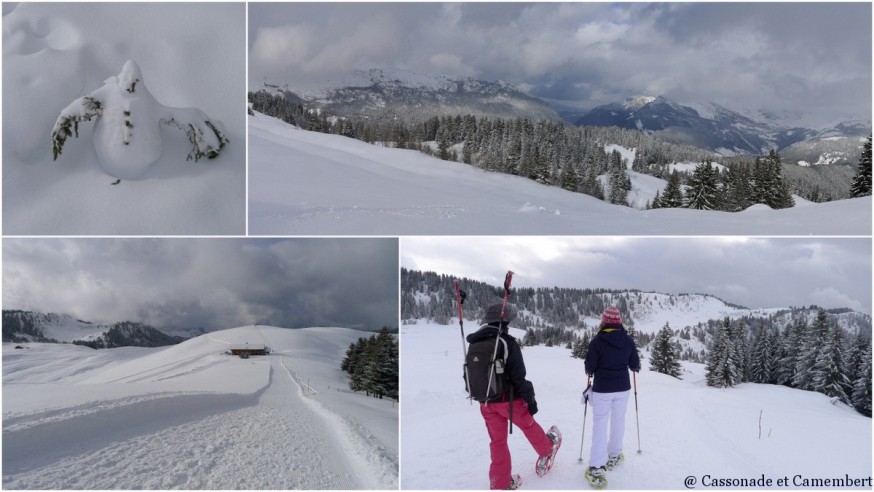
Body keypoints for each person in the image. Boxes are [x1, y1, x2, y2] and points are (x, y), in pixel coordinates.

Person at [467, 301, 561, 490]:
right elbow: (519, 377)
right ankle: (547, 449)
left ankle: (500, 484)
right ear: (505, 323)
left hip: (485, 402)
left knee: (497, 442)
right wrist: (531, 401)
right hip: (509, 401)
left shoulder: (475, 343)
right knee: (529, 425)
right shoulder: (506, 342)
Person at [584, 306, 641, 487]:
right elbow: (635, 365)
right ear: (618, 322)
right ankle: (615, 455)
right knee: (618, 421)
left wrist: (591, 369)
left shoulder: (597, 341)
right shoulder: (627, 340)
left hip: (603, 389)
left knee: (600, 424)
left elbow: (590, 367)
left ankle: (596, 466)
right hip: (622, 388)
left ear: (604, 321)